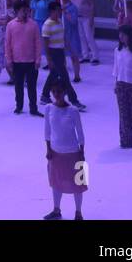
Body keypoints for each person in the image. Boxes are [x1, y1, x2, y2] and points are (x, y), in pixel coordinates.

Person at [43, 79, 87, 219]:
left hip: (73, 153)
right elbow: (47, 131)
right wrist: (48, 149)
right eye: (54, 91)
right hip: (56, 153)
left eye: (59, 91)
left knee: (78, 184)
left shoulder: (73, 111)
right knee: (56, 182)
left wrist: (82, 151)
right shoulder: (48, 108)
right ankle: (56, 210)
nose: (56, 94)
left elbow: (80, 132)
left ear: (65, 92)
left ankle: (78, 212)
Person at [39, 1, 84, 109]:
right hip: (53, 53)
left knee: (53, 75)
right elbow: (45, 43)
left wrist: (71, 51)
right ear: (52, 11)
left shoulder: (59, 22)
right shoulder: (47, 25)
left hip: (60, 52)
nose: (60, 12)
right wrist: (49, 59)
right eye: (58, 10)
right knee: (65, 77)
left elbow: (63, 38)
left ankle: (45, 95)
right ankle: (74, 100)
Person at [6, 1, 43, 116]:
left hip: (31, 61)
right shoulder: (10, 25)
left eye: (26, 10)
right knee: (18, 86)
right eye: (22, 11)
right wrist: (9, 61)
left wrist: (38, 60)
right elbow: (7, 44)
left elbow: (38, 43)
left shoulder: (34, 25)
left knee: (32, 87)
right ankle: (19, 106)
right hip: (17, 62)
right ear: (17, 12)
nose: (25, 13)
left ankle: (33, 108)